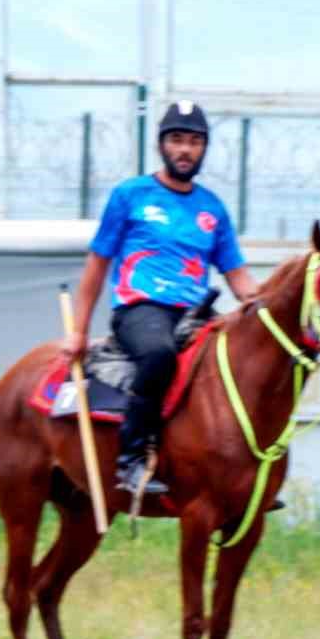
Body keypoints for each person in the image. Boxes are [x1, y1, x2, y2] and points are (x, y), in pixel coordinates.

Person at [61, 101, 259, 495]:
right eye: (176, 140)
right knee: (159, 356)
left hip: (196, 312)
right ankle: (131, 459)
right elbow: (97, 266)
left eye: (194, 142)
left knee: (245, 362)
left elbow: (239, 278)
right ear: (161, 146)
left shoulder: (212, 208)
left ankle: (243, 472)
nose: (185, 150)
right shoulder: (130, 195)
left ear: (204, 149)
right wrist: (78, 332)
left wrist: (273, 304)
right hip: (141, 309)